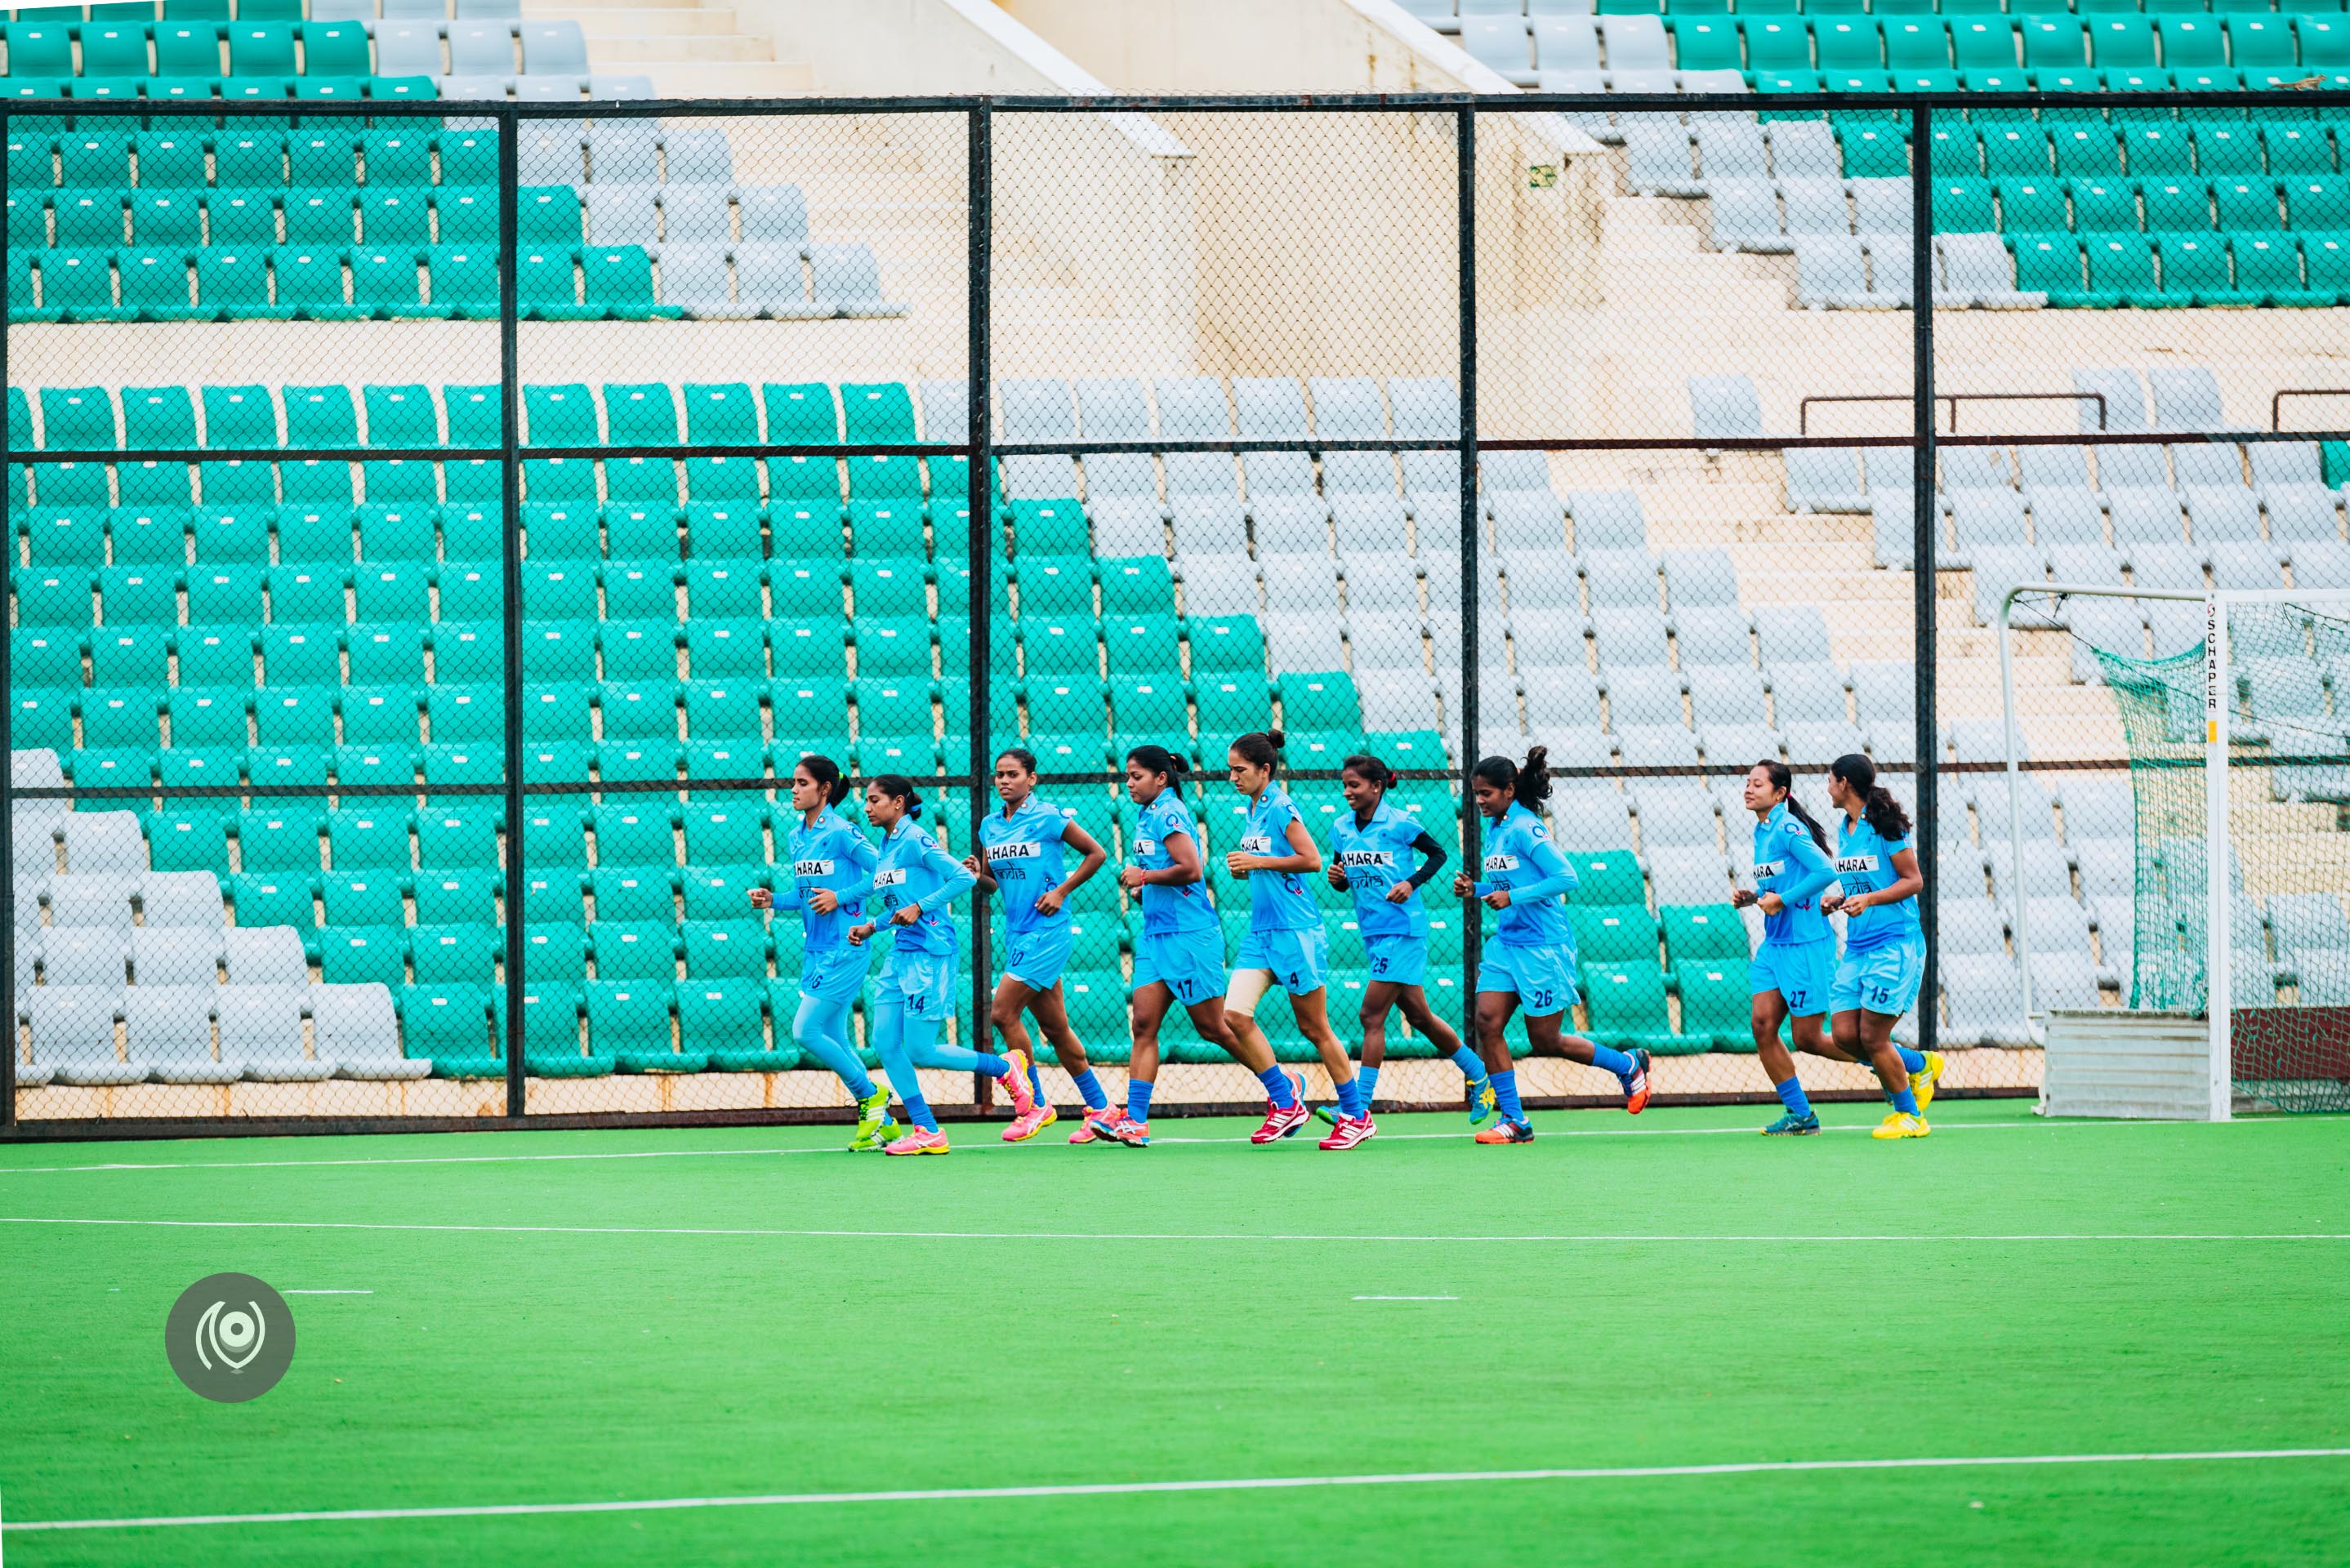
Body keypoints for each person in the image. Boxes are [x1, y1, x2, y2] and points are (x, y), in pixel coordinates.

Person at [1084, 745, 1309, 1149]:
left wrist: (1145, 877)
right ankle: (1135, 1121)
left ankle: (1282, 1087)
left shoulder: (1170, 812)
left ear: (1162, 778)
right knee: (1144, 1025)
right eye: (1128, 777)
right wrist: (1145, 891)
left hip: (1190, 936)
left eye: (1137, 776)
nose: (1129, 783)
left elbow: (1192, 869)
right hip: (1156, 935)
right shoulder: (1147, 813)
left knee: (1215, 1028)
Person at [1453, 746, 1652, 1144]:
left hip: (1544, 946)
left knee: (1545, 1040)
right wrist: (1478, 889)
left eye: (1486, 794)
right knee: (1487, 1022)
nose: (1479, 801)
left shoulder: (1527, 828)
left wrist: (1512, 897)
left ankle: (1627, 1065)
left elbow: (1566, 878)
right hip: (1508, 944)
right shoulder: (1497, 828)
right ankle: (1514, 1120)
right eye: (1475, 794)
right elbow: (1510, 883)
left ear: (1509, 791)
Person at [846, 774, 1047, 1155]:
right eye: (867, 801)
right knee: (885, 1043)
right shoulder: (886, 844)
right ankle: (927, 1130)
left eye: (874, 800)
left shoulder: (916, 839)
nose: (867, 807)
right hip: (900, 950)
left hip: (931, 950)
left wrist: (921, 907)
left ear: (899, 803)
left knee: (921, 1049)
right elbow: (898, 904)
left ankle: (1005, 1069)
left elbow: (963, 878)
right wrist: (873, 925)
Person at [1316, 753, 1496, 1132]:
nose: (1347, 791)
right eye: (1345, 785)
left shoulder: (1400, 823)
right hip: (1373, 931)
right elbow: (1344, 875)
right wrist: (1337, 878)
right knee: (1419, 1016)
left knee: (1371, 1016)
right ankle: (1480, 1075)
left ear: (1377, 787)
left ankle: (1358, 1110)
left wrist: (1410, 882)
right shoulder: (1340, 828)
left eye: (1355, 785)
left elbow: (1438, 854)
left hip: (1403, 929)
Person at [1219, 731, 1370, 1151]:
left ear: (1264, 770)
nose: (1232, 776)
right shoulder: (1252, 807)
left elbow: (1312, 860)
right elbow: (1269, 864)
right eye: (1230, 769)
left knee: (1314, 1027)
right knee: (1234, 1016)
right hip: (1261, 932)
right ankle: (1286, 1102)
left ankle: (1357, 1115)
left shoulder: (1281, 805)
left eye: (1240, 770)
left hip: (1296, 932)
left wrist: (1258, 861)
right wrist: (1248, 868)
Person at [748, 755, 898, 1152]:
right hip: (814, 951)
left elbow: (885, 870)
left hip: (846, 948)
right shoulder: (798, 836)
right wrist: (771, 900)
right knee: (834, 1035)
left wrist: (842, 897)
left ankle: (871, 1096)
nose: (793, 790)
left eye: (801, 783)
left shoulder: (844, 833)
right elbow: (805, 897)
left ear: (824, 789)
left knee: (805, 1031)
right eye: (792, 783)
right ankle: (886, 1126)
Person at [964, 747, 1113, 1143]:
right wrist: (978, 873)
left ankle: (1035, 1105)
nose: (1004, 781)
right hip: (1017, 934)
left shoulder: (1048, 817)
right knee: (1056, 1028)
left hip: (1048, 932)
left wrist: (1062, 891)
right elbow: (993, 884)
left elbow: (1096, 854)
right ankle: (1102, 1109)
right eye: (999, 775)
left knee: (1001, 1013)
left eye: (1013, 774)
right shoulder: (989, 826)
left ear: (1032, 779)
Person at [1819, 753, 1941, 1139]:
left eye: (1830, 780)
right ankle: (1920, 1064)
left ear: (1845, 784)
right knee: (1843, 1035)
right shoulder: (1845, 827)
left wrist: (1869, 901)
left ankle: (1910, 1116)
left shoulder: (1885, 826)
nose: (1827, 787)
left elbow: (1913, 881)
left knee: (1873, 1037)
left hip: (1895, 944)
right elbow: (1863, 880)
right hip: (1859, 946)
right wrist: (1839, 898)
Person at [1731, 760, 1844, 1136]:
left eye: (1758, 784)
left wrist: (1783, 900)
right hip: (1775, 945)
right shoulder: (1762, 830)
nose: (1749, 789)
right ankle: (1801, 1115)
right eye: (1748, 783)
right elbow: (1778, 884)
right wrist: (1755, 897)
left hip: (1805, 944)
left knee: (1809, 1038)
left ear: (1780, 793)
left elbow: (1826, 872)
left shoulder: (1788, 828)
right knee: (1763, 1027)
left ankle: (1899, 1063)